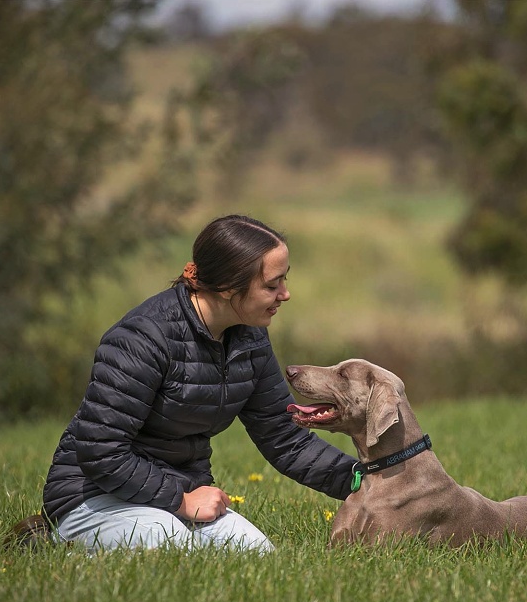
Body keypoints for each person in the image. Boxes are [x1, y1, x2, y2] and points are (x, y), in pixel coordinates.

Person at [40, 215, 358, 553]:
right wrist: (181, 500)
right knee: (171, 548)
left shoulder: (250, 340)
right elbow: (101, 451)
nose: (285, 294)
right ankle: (56, 539)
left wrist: (366, 478)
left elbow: (284, 438)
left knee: (259, 555)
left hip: (180, 498)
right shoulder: (141, 338)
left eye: (285, 280)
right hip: (92, 496)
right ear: (226, 287)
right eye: (271, 285)